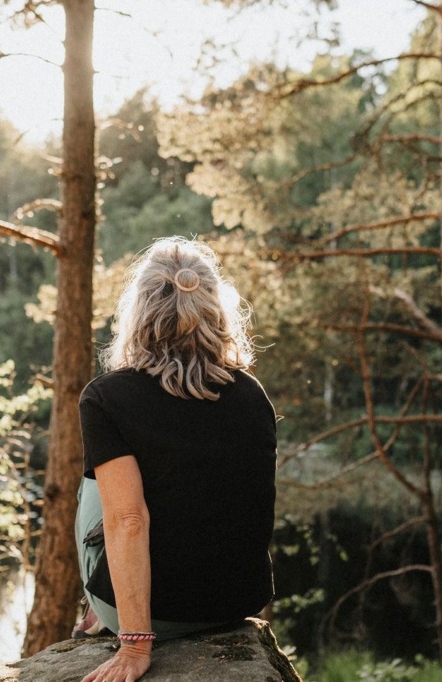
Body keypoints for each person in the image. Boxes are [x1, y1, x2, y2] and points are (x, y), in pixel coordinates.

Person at [74, 237, 278, 682]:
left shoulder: (106, 398)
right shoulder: (252, 394)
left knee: (98, 486)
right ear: (216, 308)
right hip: (236, 605)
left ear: (139, 311)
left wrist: (134, 647)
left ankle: (99, 605)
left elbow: (128, 520)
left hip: (158, 620)